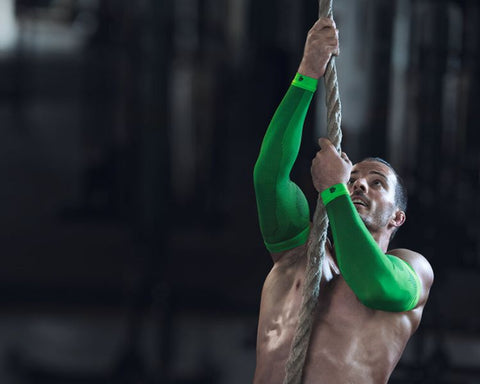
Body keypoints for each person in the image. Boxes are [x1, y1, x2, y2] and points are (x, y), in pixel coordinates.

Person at [252, 17, 434, 384]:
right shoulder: (296, 252)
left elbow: (374, 286)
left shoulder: (412, 269)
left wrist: (335, 190)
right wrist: (308, 72)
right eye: (352, 179)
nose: (359, 185)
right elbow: (269, 178)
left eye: (376, 182)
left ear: (397, 217)